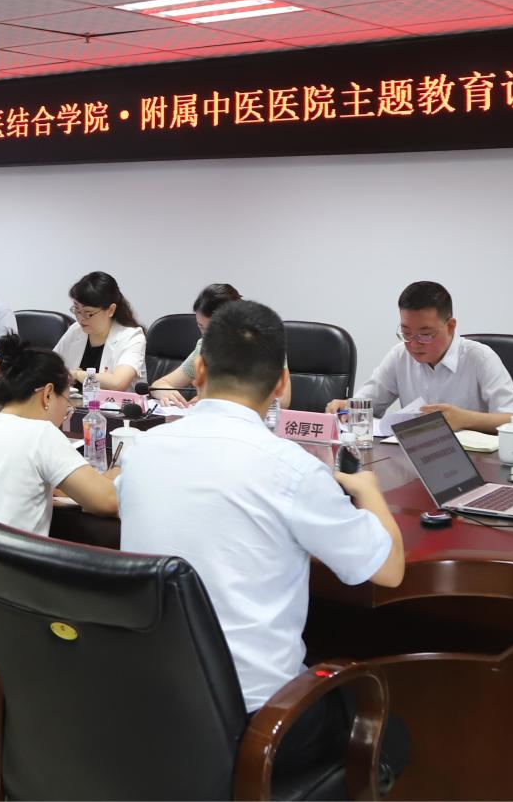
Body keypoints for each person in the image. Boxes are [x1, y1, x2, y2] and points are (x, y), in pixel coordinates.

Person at [119, 300, 407, 780]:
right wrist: (369, 491)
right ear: (280, 385)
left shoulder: (141, 451)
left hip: (150, 711)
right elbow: (390, 570)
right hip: (259, 728)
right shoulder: (293, 469)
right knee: (389, 729)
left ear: (201, 370)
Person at [0, 334, 120, 609]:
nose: (64, 414)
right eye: (67, 401)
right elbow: (106, 501)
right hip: (2, 596)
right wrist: (115, 475)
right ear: (47, 394)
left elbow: (12, 477)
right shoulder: (41, 434)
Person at [328, 281, 513, 431]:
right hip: (417, 459)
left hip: (476, 462)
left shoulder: (480, 358)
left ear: (450, 326)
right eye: (406, 333)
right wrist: (348, 407)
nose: (414, 344)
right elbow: (366, 403)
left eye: (425, 334)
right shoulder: (399, 356)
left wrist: (464, 419)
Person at [147, 283, 292, 408]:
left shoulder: (266, 345)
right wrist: (164, 391)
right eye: (201, 327)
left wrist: (219, 401)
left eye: (213, 329)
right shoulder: (204, 347)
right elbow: (160, 384)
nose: (207, 336)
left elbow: (283, 400)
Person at [52, 271, 147, 392]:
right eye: (77, 309)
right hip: (73, 402)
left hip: (115, 404)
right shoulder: (76, 330)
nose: (81, 318)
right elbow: (50, 367)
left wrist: (77, 374)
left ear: (111, 310)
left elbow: (117, 383)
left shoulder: (132, 336)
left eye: (88, 313)